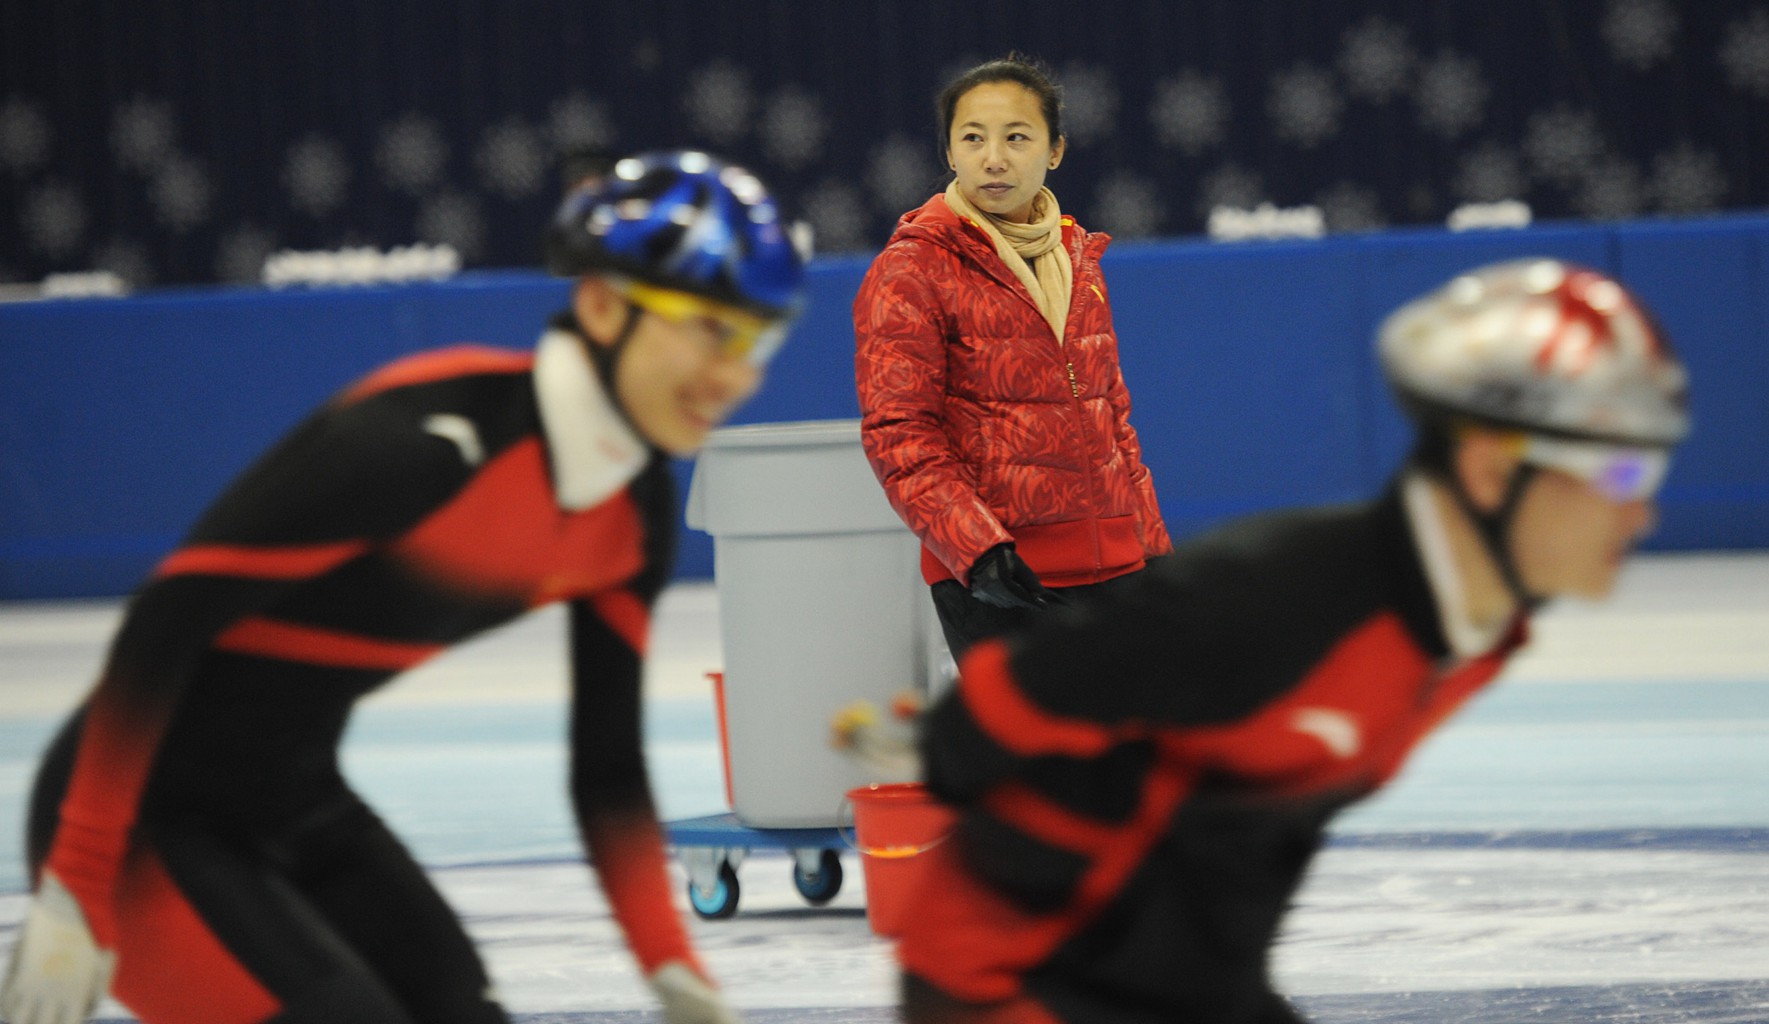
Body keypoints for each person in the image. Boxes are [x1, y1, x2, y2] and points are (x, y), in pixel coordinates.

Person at [0, 150, 806, 1024]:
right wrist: (77, 880)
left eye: (758, 339)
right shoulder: (423, 443)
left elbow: (606, 767)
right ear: (603, 304)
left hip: (294, 801)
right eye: (711, 330)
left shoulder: (633, 509)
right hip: (129, 824)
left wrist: (671, 968)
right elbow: (164, 624)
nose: (736, 377)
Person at [894, 258, 1691, 1023]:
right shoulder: (1272, 598)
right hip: (1012, 989)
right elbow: (982, 726)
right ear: (1490, 470)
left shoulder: (1474, 638)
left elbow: (1244, 843)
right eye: (1622, 477)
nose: (1641, 515)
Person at [854, 54, 1170, 661]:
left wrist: (1149, 549)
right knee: (1033, 757)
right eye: (972, 138)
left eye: (1016, 137)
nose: (993, 158)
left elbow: (1112, 420)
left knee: (1133, 753)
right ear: (949, 152)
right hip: (1000, 577)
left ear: (1055, 151)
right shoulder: (911, 268)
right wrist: (973, 547)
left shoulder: (1079, 258)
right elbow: (899, 430)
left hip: (1116, 569)